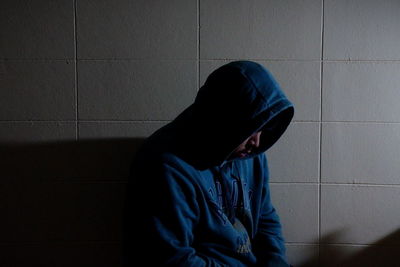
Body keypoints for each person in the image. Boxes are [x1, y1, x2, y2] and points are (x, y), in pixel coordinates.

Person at [123, 61, 294, 266]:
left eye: (263, 127)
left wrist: (275, 262)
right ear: (224, 121)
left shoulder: (251, 154)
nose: (257, 141)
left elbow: (265, 219)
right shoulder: (165, 166)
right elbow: (171, 258)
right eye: (251, 128)